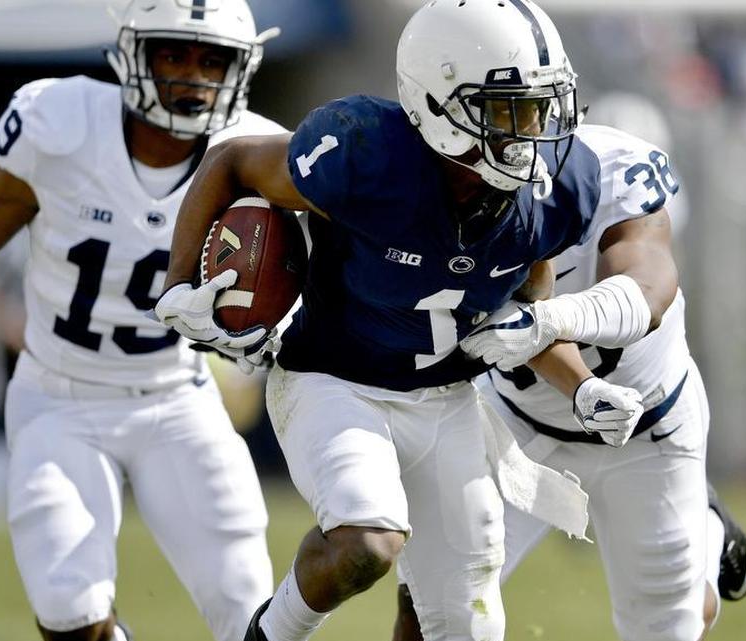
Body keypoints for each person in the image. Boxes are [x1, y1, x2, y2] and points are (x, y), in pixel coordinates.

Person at [152, 3, 647, 640]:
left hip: (448, 403)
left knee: (463, 626)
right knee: (369, 541)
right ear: (440, 105)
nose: (534, 132)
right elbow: (232, 162)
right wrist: (179, 284)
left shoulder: (549, 195)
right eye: (510, 110)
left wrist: (582, 386)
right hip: (334, 380)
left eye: (541, 108)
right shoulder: (363, 152)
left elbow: (526, 321)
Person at [0, 1, 283, 640]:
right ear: (132, 53)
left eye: (212, 58)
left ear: (241, 68)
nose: (194, 74)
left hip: (176, 399)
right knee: (67, 611)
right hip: (60, 399)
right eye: (173, 53)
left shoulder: (254, 150)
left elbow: (323, 265)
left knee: (250, 612)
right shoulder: (61, 126)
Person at [392, 123, 746, 641]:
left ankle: (707, 538)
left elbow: (649, 291)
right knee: (428, 599)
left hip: (647, 427)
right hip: (517, 427)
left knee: (670, 623)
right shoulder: (438, 188)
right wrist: (579, 381)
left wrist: (553, 321)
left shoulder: (613, 171)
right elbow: (510, 328)